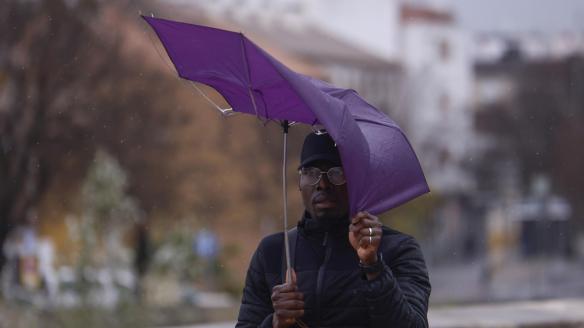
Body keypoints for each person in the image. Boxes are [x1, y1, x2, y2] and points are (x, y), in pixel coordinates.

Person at [236, 132, 431, 327]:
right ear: (299, 182)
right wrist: (275, 323)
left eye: (337, 173)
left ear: (357, 182)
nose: (322, 184)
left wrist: (373, 267)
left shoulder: (397, 249)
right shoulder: (273, 251)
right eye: (311, 173)